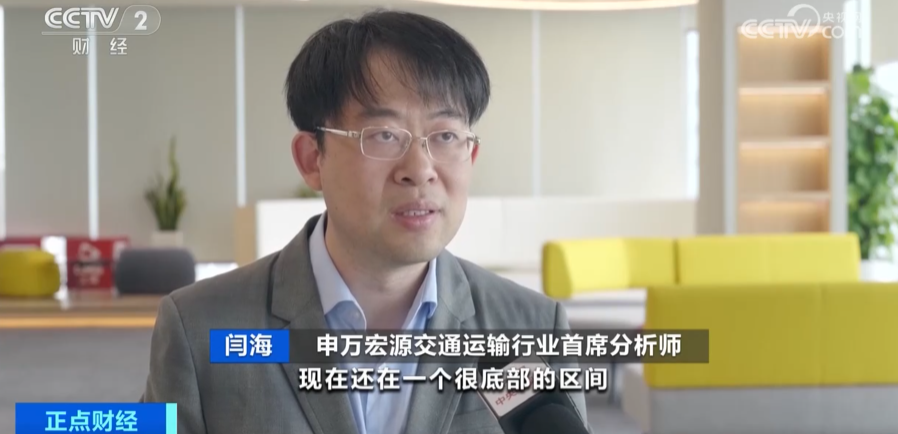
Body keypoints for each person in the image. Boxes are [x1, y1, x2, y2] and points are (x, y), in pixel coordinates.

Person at [141, 9, 589, 434]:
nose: (420, 169)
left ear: (470, 156)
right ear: (312, 159)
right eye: (384, 135)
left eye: (445, 135)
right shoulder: (201, 326)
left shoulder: (531, 325)